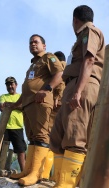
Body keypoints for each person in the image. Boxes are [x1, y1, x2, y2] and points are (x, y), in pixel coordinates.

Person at [49, 5, 105, 188]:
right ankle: (59, 181)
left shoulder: (89, 31)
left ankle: (67, 184)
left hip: (84, 85)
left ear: (75, 20)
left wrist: (78, 91)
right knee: (57, 136)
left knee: (75, 136)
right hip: (72, 84)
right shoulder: (83, 35)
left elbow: (89, 60)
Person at [7, 34, 64, 186]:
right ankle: (28, 171)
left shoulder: (49, 57)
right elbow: (27, 89)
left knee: (41, 136)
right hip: (28, 104)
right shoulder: (33, 64)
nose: (33, 44)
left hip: (41, 102)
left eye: (36, 42)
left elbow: (59, 74)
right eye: (30, 42)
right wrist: (15, 104)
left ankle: (36, 173)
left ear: (44, 46)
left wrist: (47, 89)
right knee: (32, 137)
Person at [40, 51, 66, 181]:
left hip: (58, 105)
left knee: (50, 139)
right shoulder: (70, 66)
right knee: (62, 142)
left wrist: (56, 97)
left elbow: (60, 82)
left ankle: (44, 174)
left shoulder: (60, 65)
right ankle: (57, 176)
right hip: (67, 106)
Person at [0, 76, 26, 172]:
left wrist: (11, 105)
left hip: (17, 127)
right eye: (8, 85)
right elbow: (1, 107)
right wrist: (15, 105)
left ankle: (23, 172)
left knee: (21, 151)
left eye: (12, 84)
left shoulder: (20, 96)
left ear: (16, 85)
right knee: (0, 150)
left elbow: (24, 107)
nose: (10, 86)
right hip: (4, 127)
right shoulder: (3, 96)